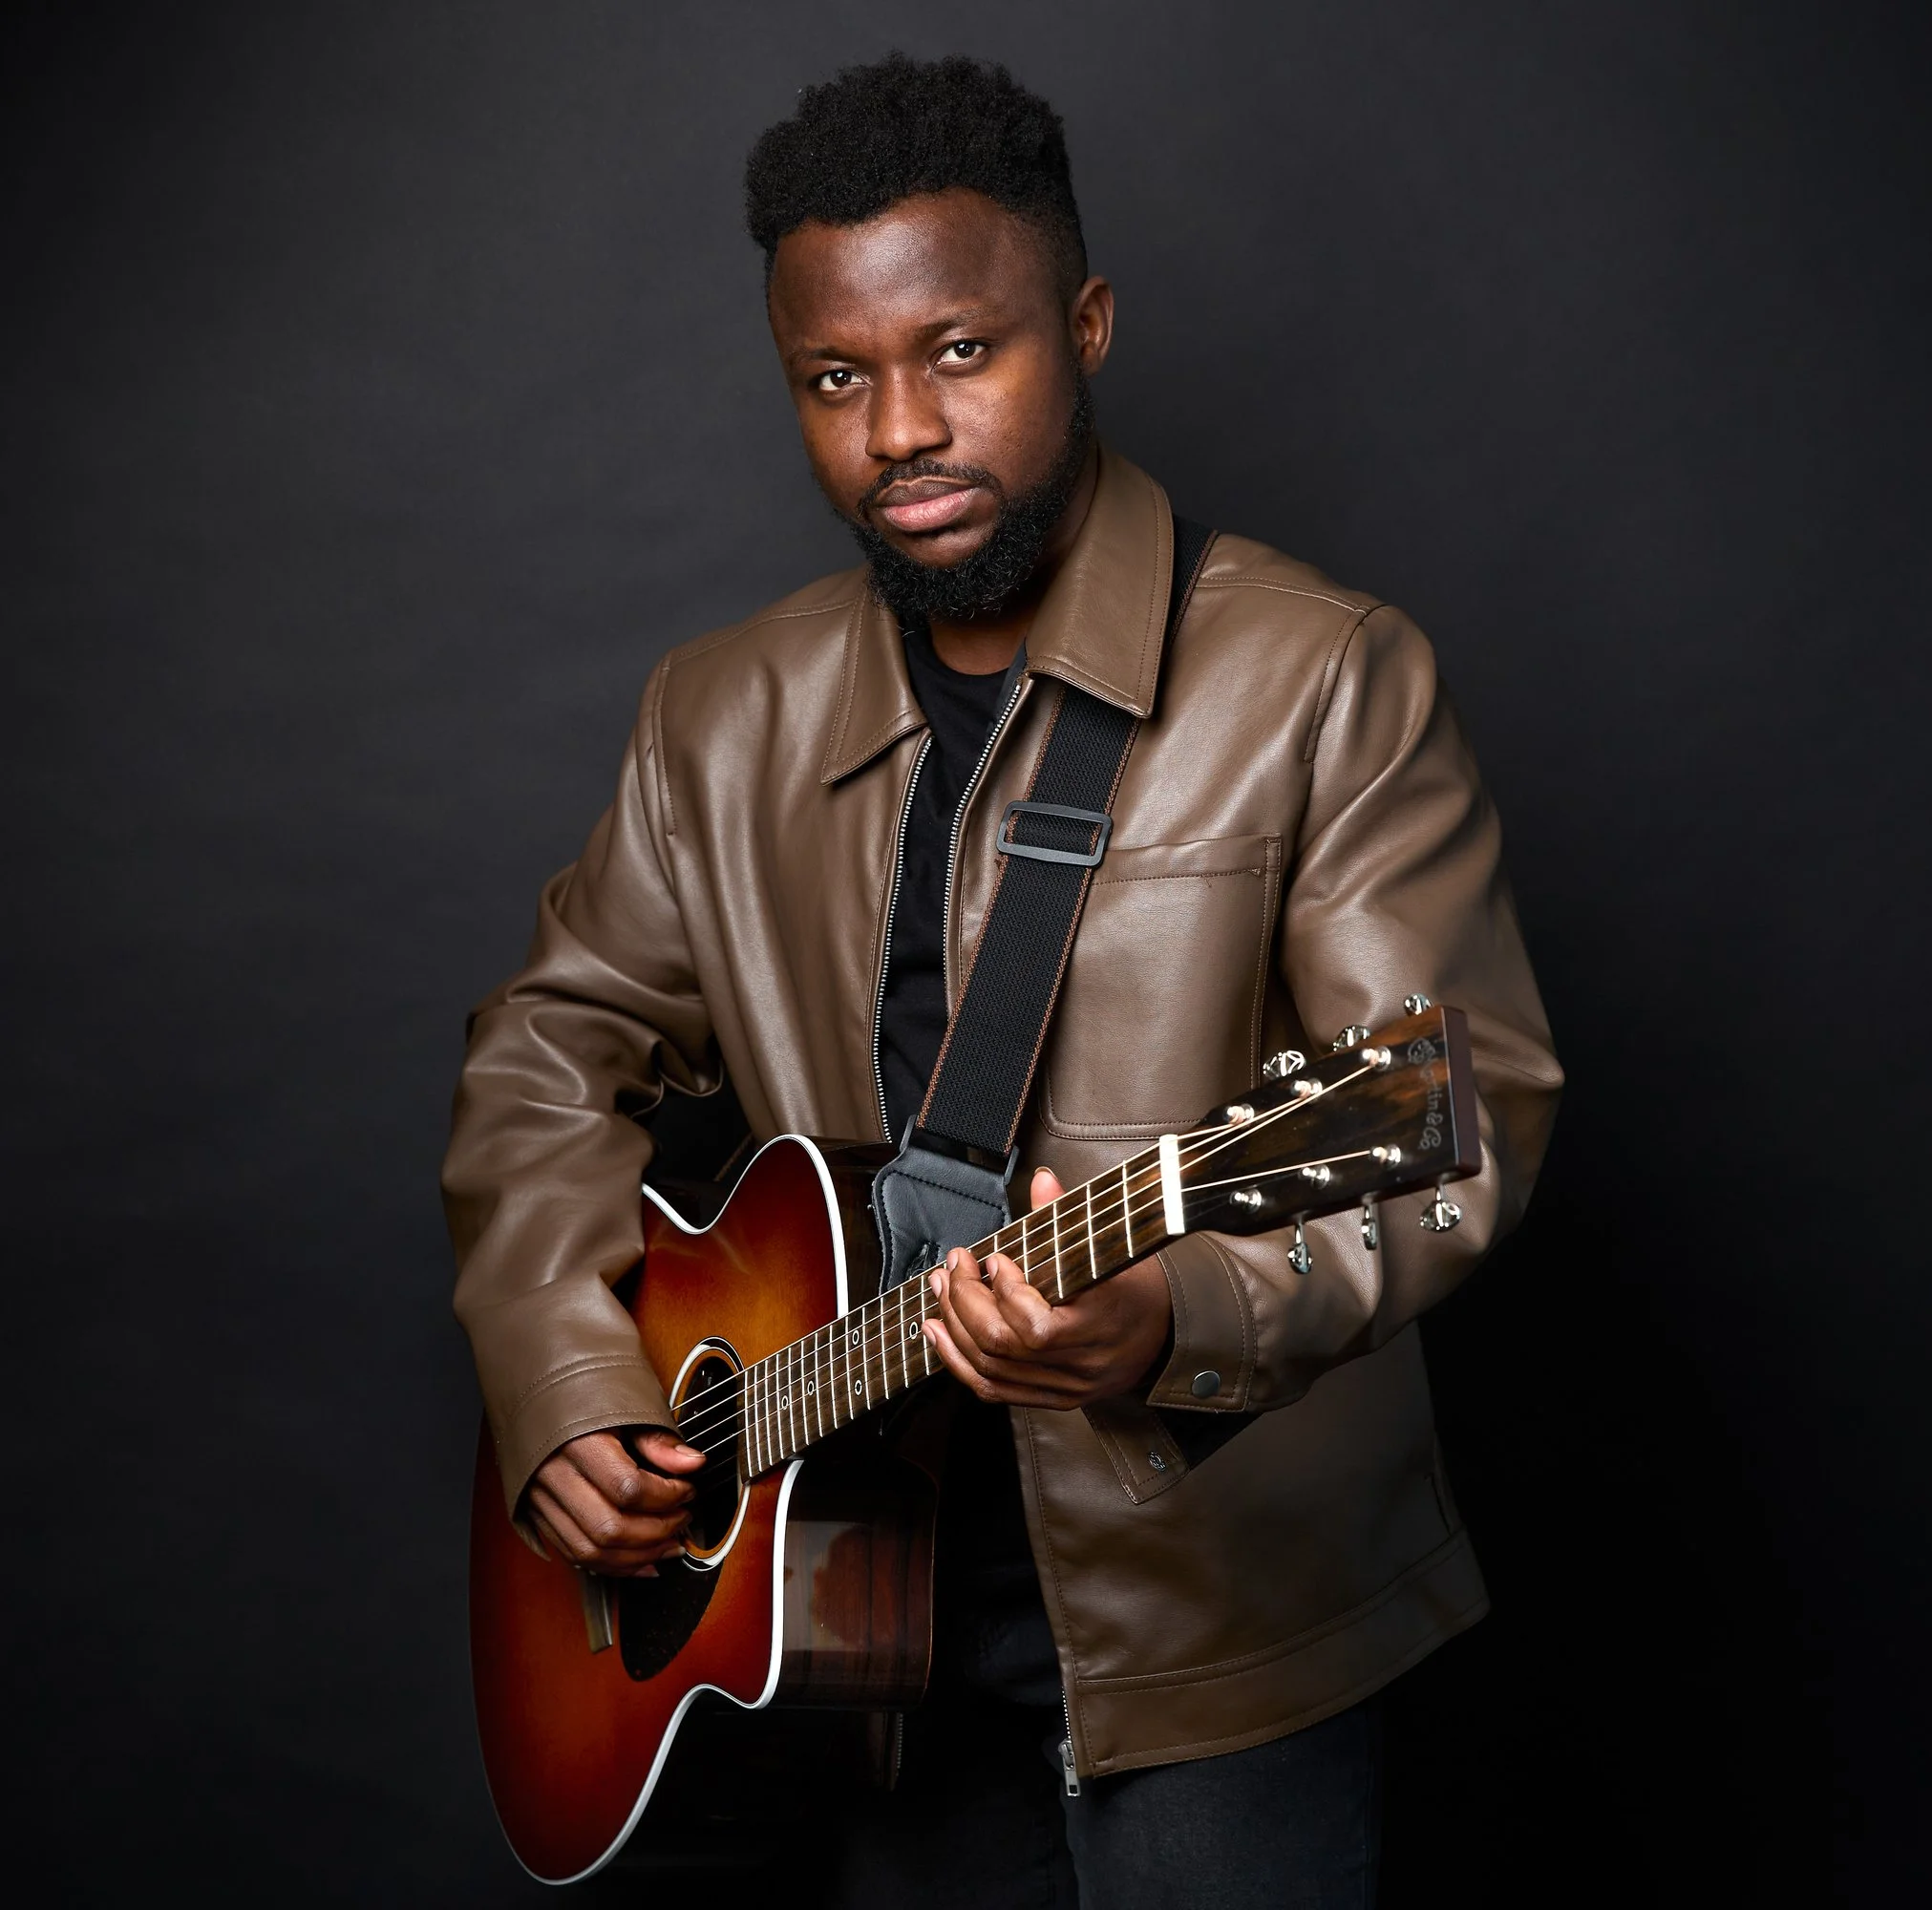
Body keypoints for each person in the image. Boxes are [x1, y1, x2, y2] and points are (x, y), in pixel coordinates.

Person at [442, 52, 1560, 1909]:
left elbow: (1443, 1109)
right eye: (835, 377)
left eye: (961, 350)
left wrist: (1166, 1313)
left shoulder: (1319, 676)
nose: (899, 429)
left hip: (1217, 1640)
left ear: (1087, 324)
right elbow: (545, 1054)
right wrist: (566, 1380)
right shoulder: (718, 717)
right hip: (848, 1638)